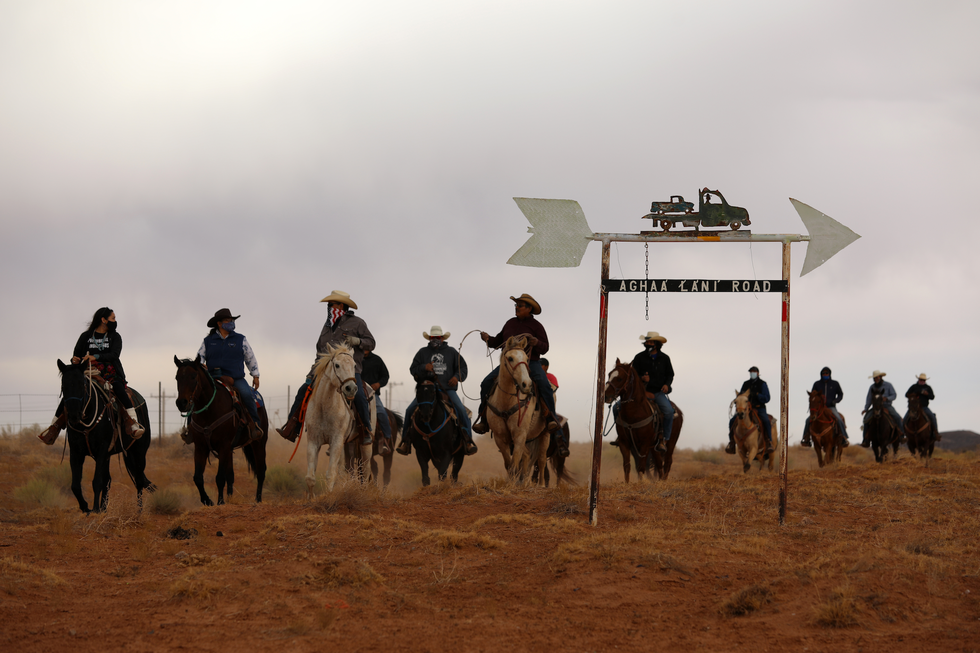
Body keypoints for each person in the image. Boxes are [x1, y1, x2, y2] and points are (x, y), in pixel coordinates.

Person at [277, 291, 376, 445]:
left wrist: (357, 341)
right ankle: (292, 427)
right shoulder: (327, 326)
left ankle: (365, 430)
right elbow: (319, 352)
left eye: (332, 304)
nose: (329, 307)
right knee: (303, 390)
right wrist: (312, 373)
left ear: (341, 305)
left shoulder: (357, 322)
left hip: (349, 370)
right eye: (328, 305)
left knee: (359, 396)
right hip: (325, 371)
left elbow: (371, 343)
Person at [38, 307, 145, 444]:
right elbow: (76, 354)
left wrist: (94, 356)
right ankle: (54, 427)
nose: (115, 321)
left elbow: (114, 355)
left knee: (119, 390)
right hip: (87, 372)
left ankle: (133, 423)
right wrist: (75, 359)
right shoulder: (85, 336)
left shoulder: (115, 337)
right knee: (71, 392)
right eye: (113, 318)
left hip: (110, 373)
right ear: (103, 320)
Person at [472, 294, 562, 442]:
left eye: (520, 306)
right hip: (509, 363)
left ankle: (550, 417)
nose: (517, 308)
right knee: (486, 383)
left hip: (531, 362)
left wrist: (536, 342)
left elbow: (545, 347)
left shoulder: (537, 326)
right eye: (516, 305)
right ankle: (484, 419)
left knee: (544, 384)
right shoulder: (509, 323)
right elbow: (498, 341)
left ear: (529, 309)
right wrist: (488, 339)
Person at [398, 325, 476, 456]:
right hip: (427, 390)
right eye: (433, 338)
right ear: (429, 338)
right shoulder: (422, 352)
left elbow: (463, 368)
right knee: (409, 410)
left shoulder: (451, 352)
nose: (435, 339)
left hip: (447, 390)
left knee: (461, 410)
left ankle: (467, 440)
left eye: (437, 337)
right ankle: (406, 441)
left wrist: (456, 378)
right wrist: (424, 367)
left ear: (442, 338)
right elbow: (413, 369)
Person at [197, 308, 263, 440]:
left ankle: (255, 425)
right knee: (196, 395)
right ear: (219, 324)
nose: (231, 323)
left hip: (235, 378)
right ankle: (190, 429)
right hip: (212, 377)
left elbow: (250, 358)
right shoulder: (208, 341)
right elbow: (199, 358)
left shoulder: (240, 339)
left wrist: (255, 376)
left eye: (231, 320)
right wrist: (200, 365)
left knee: (246, 394)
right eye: (228, 320)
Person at [612, 331, 675, 454]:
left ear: (656, 344)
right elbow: (632, 376)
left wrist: (667, 385)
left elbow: (670, 374)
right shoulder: (639, 357)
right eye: (646, 341)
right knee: (616, 408)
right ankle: (621, 436)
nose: (647, 343)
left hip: (657, 392)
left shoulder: (665, 358)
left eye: (650, 342)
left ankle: (664, 439)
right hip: (640, 393)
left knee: (669, 412)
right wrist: (641, 378)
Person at [725, 365, 773, 455]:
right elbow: (741, 395)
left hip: (759, 408)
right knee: (732, 421)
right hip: (746, 409)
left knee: (766, 420)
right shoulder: (746, 384)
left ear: (758, 373)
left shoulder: (762, 384)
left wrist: (758, 395)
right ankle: (731, 442)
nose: (752, 373)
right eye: (751, 372)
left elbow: (767, 398)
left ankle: (769, 441)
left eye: (754, 372)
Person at [802, 366, 848, 447]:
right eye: (824, 373)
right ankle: (806, 438)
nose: (825, 375)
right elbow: (813, 395)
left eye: (827, 373)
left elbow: (840, 394)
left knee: (839, 419)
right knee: (808, 420)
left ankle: (843, 437)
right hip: (820, 408)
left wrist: (835, 401)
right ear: (821, 374)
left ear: (830, 374)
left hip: (831, 407)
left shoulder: (835, 383)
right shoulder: (817, 384)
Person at [860, 370, 905, 447]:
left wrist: (887, 398)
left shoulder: (888, 385)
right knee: (866, 419)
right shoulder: (872, 387)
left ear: (880, 377)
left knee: (897, 417)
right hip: (875, 407)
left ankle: (901, 436)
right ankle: (865, 439)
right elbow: (869, 398)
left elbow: (894, 395)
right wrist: (866, 408)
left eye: (877, 377)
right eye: (874, 378)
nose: (875, 379)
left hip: (887, 406)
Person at [361, 349, 392, 455]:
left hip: (372, 394)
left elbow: (385, 376)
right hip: (356, 393)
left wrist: (378, 384)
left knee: (382, 413)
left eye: (366, 346)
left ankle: (386, 439)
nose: (364, 348)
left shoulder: (377, 360)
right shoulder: (354, 359)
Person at [539, 358, 570, 458]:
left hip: (548, 406)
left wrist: (541, 378)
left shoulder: (551, 377)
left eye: (541, 365)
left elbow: (553, 388)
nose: (539, 367)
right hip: (536, 405)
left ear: (546, 367)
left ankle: (561, 444)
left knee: (554, 420)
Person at [904, 373, 939, 441]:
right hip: (914, 408)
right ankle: (904, 435)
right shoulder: (914, 387)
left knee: (932, 417)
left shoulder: (928, 388)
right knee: (905, 419)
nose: (922, 381)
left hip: (924, 407)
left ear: (925, 381)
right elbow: (906, 394)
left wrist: (927, 394)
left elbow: (932, 397)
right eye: (921, 379)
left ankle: (935, 433)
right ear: (918, 379)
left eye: (923, 380)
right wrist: (918, 392)